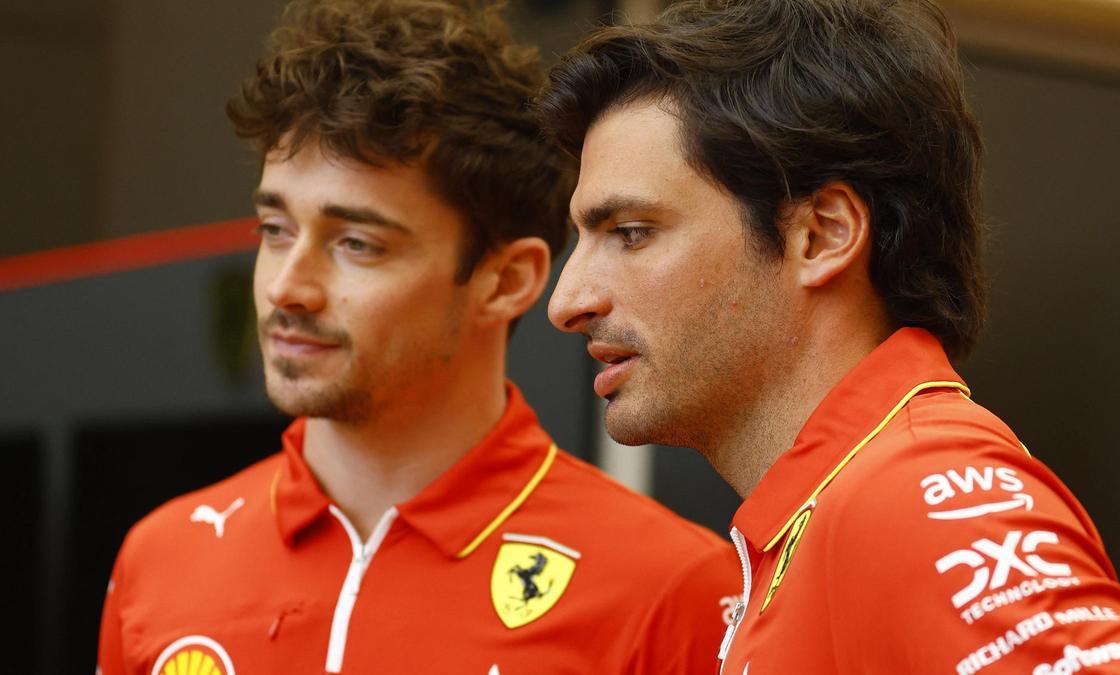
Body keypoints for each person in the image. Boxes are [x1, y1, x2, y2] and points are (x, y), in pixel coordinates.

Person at [536, 0, 1120, 673]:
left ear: (822, 235)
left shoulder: (913, 496)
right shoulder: (833, 511)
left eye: (631, 233)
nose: (569, 300)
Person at [97, 1, 739, 673]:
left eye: (357, 243)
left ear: (507, 279)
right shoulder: (160, 556)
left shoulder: (673, 587)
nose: (288, 286)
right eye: (275, 230)